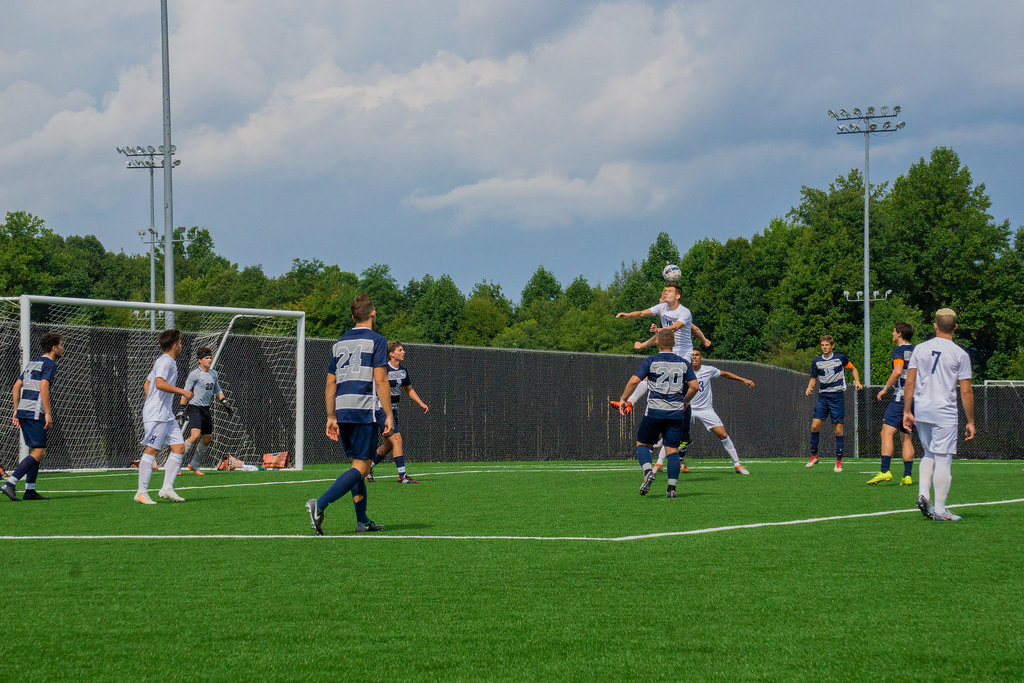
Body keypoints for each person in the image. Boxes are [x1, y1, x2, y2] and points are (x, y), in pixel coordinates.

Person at [306, 294, 394, 535]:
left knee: (357, 465)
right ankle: (319, 505)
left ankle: (362, 521)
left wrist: (330, 416)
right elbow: (380, 379)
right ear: (373, 313)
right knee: (363, 467)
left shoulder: (339, 343)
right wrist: (388, 414)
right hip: (363, 409)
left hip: (343, 409)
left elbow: (330, 383)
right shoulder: (377, 341)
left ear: (353, 317)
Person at [614, 284, 710, 472]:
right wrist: (628, 315)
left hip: (682, 355)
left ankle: (681, 433)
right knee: (652, 380)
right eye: (664, 291)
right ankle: (632, 403)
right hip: (667, 352)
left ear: (678, 295)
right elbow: (642, 313)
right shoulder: (662, 307)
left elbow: (674, 328)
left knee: (678, 392)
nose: (666, 293)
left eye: (669, 291)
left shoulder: (684, 312)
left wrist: (658, 331)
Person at [903, 309, 975, 521]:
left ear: (935, 325)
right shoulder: (960, 354)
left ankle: (924, 495)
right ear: (955, 327)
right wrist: (971, 421)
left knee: (928, 453)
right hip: (944, 411)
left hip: (922, 409)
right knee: (943, 458)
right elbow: (966, 391)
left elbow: (910, 382)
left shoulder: (920, 348)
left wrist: (907, 411)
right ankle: (941, 511)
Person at [616, 328, 698, 498]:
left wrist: (624, 398)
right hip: (675, 413)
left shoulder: (650, 361)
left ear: (657, 343)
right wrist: (685, 401)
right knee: (672, 450)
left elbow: (634, 381)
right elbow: (694, 387)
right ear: (674, 343)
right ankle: (671, 489)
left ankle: (648, 472)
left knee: (642, 444)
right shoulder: (684, 363)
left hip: (655, 411)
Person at [651, 348, 754, 475]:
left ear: (701, 358)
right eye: (692, 355)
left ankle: (737, 465)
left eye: (697, 355)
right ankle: (659, 463)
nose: (694, 357)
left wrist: (743, 379)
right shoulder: (683, 370)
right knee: (673, 434)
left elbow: (725, 374)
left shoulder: (708, 370)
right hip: (686, 407)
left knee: (723, 435)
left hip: (705, 409)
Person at [2, 332, 64, 501]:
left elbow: (16, 386)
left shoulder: (33, 362)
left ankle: (30, 490)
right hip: (35, 412)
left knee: (35, 450)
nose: (62, 348)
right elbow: (43, 387)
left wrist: (16, 410)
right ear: (54, 348)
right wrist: (48, 413)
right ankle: (10, 483)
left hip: (24, 410)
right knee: (39, 452)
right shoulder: (49, 364)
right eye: (61, 345)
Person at [135, 329, 193, 504]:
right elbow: (159, 383)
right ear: (175, 345)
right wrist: (182, 391)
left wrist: (153, 400)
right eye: (180, 342)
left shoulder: (166, 361)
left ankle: (167, 488)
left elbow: (147, 383)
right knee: (152, 450)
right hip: (157, 414)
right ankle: (141, 492)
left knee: (179, 448)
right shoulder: (165, 361)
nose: (181, 345)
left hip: (165, 414)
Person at [368, 341, 429, 484]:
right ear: (391, 354)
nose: (403, 352)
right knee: (397, 439)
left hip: (393, 411)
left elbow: (409, 389)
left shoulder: (403, 371)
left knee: (389, 446)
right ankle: (402, 476)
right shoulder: (383, 369)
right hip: (381, 410)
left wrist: (420, 402)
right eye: (400, 350)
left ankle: (367, 468)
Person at [805, 335, 862, 472]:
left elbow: (853, 369)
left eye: (827, 345)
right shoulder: (817, 362)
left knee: (838, 429)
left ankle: (838, 461)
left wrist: (857, 382)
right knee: (815, 425)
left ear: (832, 346)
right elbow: (813, 378)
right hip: (823, 397)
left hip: (837, 397)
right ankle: (814, 456)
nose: (824, 347)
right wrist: (809, 387)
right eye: (822, 345)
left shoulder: (840, 359)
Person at [868, 323, 916, 486]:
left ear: (900, 334)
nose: (892, 333)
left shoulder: (898, 351)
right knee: (906, 437)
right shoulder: (917, 351)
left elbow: (897, 371)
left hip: (901, 396)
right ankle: (907, 476)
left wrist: (885, 389)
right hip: (917, 397)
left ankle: (884, 471)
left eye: (894, 331)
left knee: (886, 433)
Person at [178, 347, 232, 476]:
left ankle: (194, 464)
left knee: (207, 438)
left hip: (206, 409)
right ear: (199, 360)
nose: (209, 360)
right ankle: (176, 463)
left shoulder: (214, 374)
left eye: (210, 358)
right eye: (206, 358)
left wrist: (224, 402)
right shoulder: (194, 374)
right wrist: (181, 409)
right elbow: (186, 392)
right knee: (195, 435)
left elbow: (218, 390)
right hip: (194, 407)